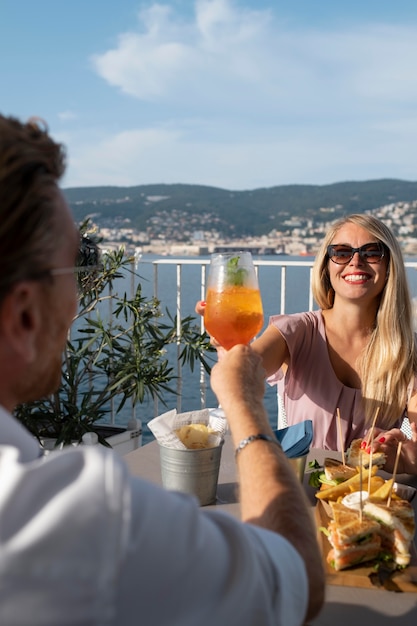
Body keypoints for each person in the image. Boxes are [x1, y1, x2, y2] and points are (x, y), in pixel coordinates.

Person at [0, 114, 324, 625]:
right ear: (23, 311)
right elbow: (294, 581)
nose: (84, 294)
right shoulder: (75, 519)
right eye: (80, 262)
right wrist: (242, 404)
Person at [197, 214, 417, 474]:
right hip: (301, 491)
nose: (355, 261)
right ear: (326, 266)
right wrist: (232, 351)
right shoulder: (296, 331)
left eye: (371, 253)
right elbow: (250, 368)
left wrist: (404, 458)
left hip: (367, 502)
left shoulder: (407, 352)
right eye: (342, 252)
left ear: (389, 266)